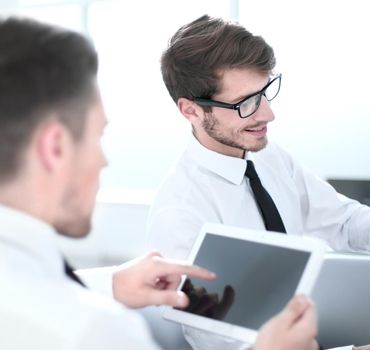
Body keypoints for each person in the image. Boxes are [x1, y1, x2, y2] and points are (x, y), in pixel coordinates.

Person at [147, 14, 370, 350]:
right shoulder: (180, 212)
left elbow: (340, 219)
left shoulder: (268, 157)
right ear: (191, 110)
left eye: (263, 93)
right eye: (244, 103)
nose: (267, 114)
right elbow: (227, 345)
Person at [0, 16, 320, 350]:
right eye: (98, 135)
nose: (103, 161)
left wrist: (109, 284)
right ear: (55, 148)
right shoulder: (96, 330)